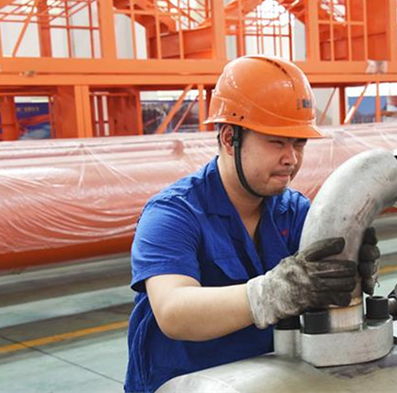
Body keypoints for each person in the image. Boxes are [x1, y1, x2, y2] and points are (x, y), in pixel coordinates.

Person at [124, 55, 380, 392]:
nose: (291, 158)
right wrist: (271, 294)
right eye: (277, 142)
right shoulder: (173, 214)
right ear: (230, 138)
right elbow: (174, 312)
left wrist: (351, 271)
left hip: (263, 383)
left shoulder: (296, 213)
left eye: (299, 143)